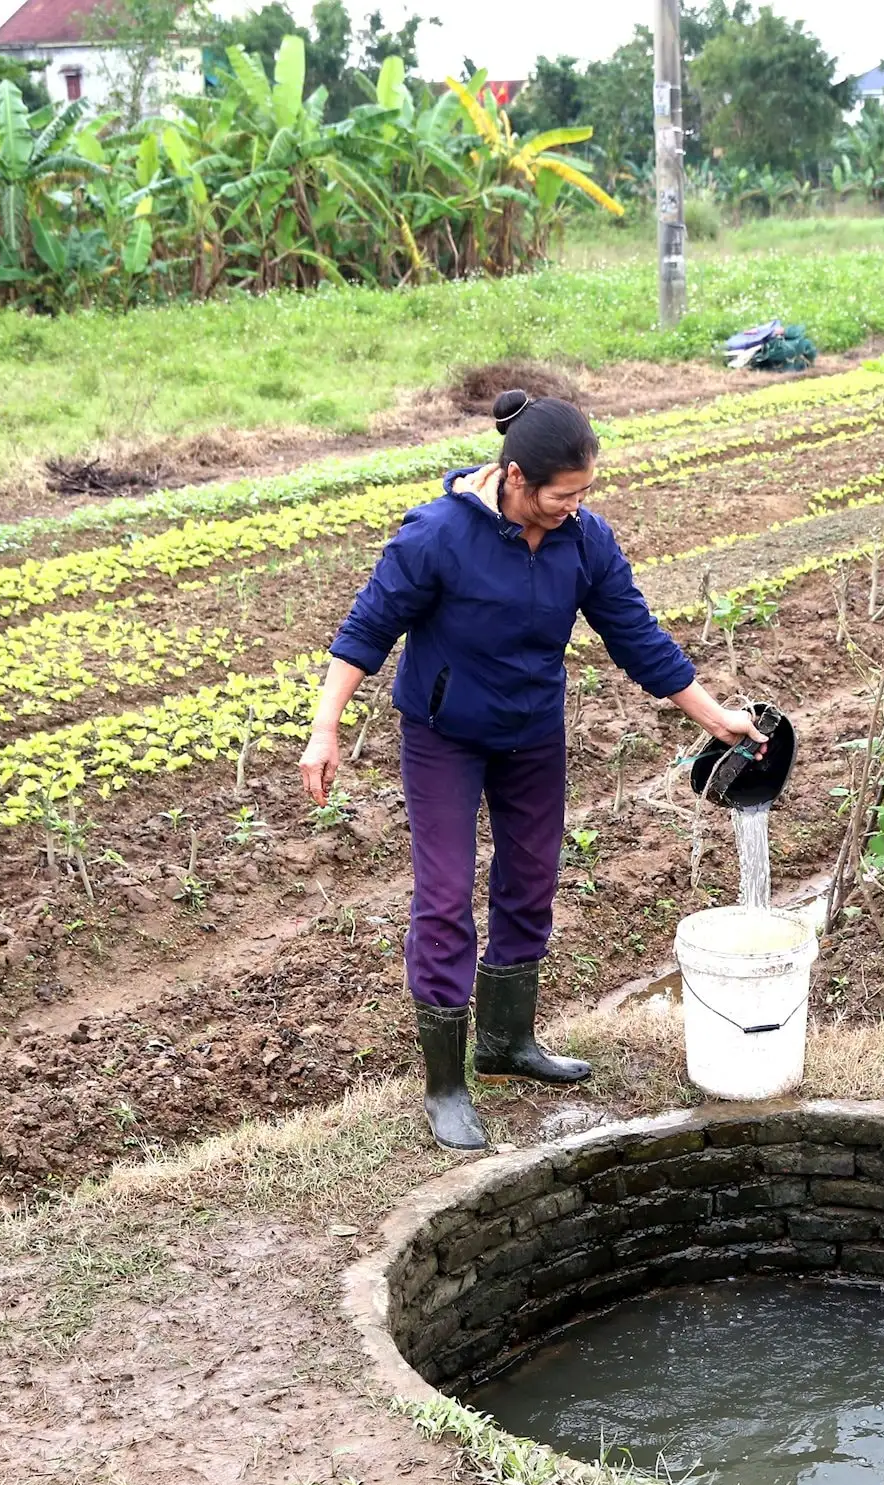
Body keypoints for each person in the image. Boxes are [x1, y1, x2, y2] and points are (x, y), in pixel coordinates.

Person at [300, 391, 763, 1151]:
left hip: (532, 733)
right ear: (515, 477)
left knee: (530, 880)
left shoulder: (585, 540)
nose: (575, 507)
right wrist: (326, 730)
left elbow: (637, 637)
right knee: (444, 897)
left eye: (585, 492)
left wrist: (715, 718)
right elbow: (366, 630)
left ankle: (506, 1044)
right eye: (562, 494)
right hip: (445, 737)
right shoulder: (437, 535)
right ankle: (445, 1085)